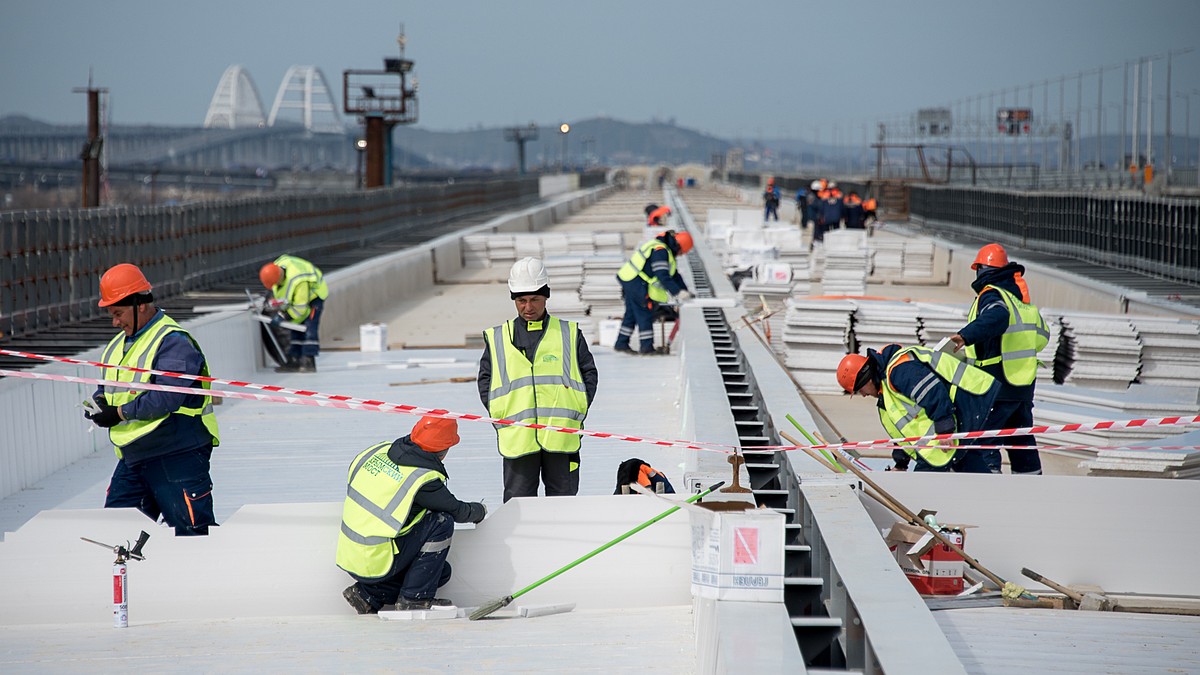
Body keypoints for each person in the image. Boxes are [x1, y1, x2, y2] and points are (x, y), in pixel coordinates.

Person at [85, 263, 220, 536]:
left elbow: (165, 397)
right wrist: (100, 404)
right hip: (134, 457)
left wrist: (120, 413)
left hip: (176, 453)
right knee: (117, 536)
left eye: (118, 313)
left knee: (193, 535)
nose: (115, 322)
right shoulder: (117, 345)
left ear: (141, 305)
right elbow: (108, 387)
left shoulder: (173, 341)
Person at [478, 258, 599, 503]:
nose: (528, 307)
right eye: (521, 300)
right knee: (518, 506)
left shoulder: (568, 333)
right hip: (518, 438)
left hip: (561, 436)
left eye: (534, 299)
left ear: (546, 297)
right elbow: (486, 381)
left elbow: (589, 374)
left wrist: (576, 409)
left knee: (563, 504)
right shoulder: (498, 338)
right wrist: (501, 412)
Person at [338, 416, 486, 614]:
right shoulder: (422, 478)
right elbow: (457, 511)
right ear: (444, 450)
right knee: (441, 521)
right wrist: (481, 511)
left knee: (441, 573)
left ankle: (368, 594)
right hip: (378, 557)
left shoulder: (377, 452)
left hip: (352, 553)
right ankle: (414, 599)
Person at [949, 244, 1050, 475]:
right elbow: (1043, 336)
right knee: (1021, 441)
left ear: (982, 270)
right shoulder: (1020, 299)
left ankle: (990, 487)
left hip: (997, 384)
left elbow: (997, 317)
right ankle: (1032, 490)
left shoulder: (992, 293)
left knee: (986, 440)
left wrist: (967, 336)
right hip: (1022, 385)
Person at [837, 343, 999, 473]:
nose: (863, 395)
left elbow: (932, 392)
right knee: (968, 464)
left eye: (860, 390)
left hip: (970, 401)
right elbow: (904, 431)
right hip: (955, 415)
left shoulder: (898, 371)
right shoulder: (885, 391)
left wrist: (944, 428)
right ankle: (993, 500)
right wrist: (901, 464)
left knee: (930, 480)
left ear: (866, 380)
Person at [613, 229, 693, 354]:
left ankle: (621, 343)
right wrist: (677, 293)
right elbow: (662, 275)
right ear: (678, 246)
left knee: (631, 313)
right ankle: (646, 348)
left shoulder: (664, 250)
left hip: (630, 279)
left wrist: (684, 291)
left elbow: (674, 275)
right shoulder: (660, 251)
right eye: (681, 252)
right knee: (644, 311)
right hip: (636, 281)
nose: (680, 255)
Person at [259, 254, 329, 373]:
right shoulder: (277, 269)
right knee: (295, 328)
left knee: (308, 328)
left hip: (314, 297)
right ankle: (295, 360)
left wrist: (284, 316)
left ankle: (308, 361)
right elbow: (286, 297)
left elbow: (300, 308)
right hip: (299, 300)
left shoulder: (298, 280)